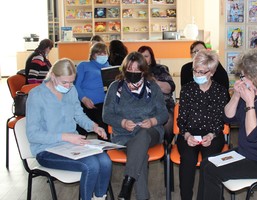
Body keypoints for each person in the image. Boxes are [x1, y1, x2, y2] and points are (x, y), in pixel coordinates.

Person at [197, 49, 257, 200]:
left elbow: (253, 135)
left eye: (244, 76)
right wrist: (237, 95)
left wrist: (250, 103)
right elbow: (227, 117)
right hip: (247, 153)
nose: (242, 79)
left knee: (211, 170)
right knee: (206, 163)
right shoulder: (253, 93)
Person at [26, 58, 111, 200]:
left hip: (70, 146)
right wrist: (65, 137)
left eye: (72, 82)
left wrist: (94, 126)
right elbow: (33, 135)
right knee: (91, 165)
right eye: (64, 82)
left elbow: (78, 114)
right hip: (46, 150)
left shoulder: (71, 91)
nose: (68, 86)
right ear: (53, 76)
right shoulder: (37, 95)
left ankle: (99, 197)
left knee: (105, 161)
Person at [102, 52, 168, 200]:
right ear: (124, 69)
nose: (133, 73)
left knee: (143, 135)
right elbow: (106, 116)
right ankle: (142, 197)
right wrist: (122, 122)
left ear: (144, 71)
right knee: (139, 154)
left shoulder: (152, 87)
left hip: (151, 133)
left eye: (137, 70)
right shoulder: (115, 88)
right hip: (123, 136)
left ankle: (127, 183)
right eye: (129, 70)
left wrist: (152, 121)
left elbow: (164, 114)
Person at [176, 50, 229, 200]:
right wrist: (186, 135)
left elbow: (220, 120)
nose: (197, 75)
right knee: (188, 159)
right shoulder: (187, 89)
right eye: (195, 71)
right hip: (189, 133)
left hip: (213, 135)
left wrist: (211, 135)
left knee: (209, 160)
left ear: (211, 72)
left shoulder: (220, 91)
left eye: (201, 72)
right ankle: (186, 197)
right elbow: (181, 119)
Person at [138, 46, 175, 144]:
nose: (143, 59)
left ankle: (167, 147)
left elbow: (170, 87)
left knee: (168, 119)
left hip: (163, 103)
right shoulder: (135, 70)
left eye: (146, 56)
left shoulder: (160, 69)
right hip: (142, 106)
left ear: (151, 57)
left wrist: (155, 82)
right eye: (141, 56)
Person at [75, 42, 110, 140]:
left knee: (105, 130)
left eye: (104, 53)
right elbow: (76, 85)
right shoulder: (84, 65)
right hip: (85, 103)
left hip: (104, 105)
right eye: (99, 53)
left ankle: (106, 150)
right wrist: (84, 98)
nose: (102, 55)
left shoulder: (110, 68)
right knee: (80, 130)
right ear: (92, 55)